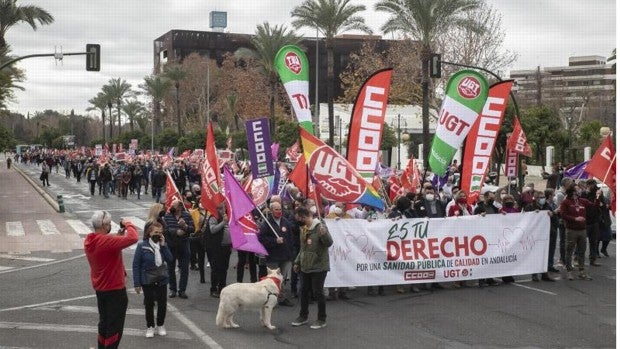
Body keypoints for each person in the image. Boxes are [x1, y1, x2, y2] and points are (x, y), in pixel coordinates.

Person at [84, 211, 138, 349]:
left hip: (101, 289)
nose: (110, 226)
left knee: (104, 324)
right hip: (115, 290)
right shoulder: (105, 241)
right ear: (104, 225)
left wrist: (119, 237)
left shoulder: (91, 240)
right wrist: (128, 224)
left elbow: (108, 248)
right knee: (114, 328)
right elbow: (133, 238)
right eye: (108, 224)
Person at [291, 206, 333, 330]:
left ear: (304, 217)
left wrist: (324, 235)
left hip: (318, 266)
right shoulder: (303, 229)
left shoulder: (320, 226)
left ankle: (321, 319)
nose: (297, 221)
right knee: (303, 291)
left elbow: (329, 243)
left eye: (298, 218)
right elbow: (303, 248)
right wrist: (297, 262)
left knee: (318, 293)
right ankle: (303, 316)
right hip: (305, 266)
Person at [132, 221, 173, 338]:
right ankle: (150, 326)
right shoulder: (142, 246)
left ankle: (160, 324)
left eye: (160, 232)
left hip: (161, 278)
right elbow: (136, 265)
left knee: (162, 303)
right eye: (156, 232)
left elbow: (170, 259)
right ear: (149, 233)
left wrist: (164, 246)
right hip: (147, 279)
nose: (158, 234)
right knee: (149, 304)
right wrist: (137, 283)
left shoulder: (162, 245)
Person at [258, 201, 297, 306]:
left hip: (285, 256)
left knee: (282, 278)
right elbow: (261, 238)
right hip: (273, 256)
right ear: (271, 210)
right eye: (276, 209)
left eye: (280, 209)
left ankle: (282, 298)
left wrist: (291, 253)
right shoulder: (267, 223)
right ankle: (270, 299)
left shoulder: (285, 222)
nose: (279, 211)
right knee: (273, 279)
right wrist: (275, 241)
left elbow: (291, 238)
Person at [559, 183, 595, 281]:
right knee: (569, 251)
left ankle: (582, 271)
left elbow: (594, 205)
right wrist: (575, 219)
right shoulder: (566, 202)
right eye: (577, 189)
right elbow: (563, 215)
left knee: (582, 251)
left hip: (582, 230)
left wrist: (598, 196)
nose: (579, 191)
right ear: (572, 191)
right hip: (571, 230)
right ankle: (569, 271)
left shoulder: (582, 201)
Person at [163, 199, 194, 298]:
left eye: (174, 205)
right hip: (171, 245)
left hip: (184, 244)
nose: (171, 207)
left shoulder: (187, 215)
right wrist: (175, 231)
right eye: (171, 205)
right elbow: (165, 230)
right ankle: (172, 289)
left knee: (184, 269)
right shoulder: (167, 216)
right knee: (170, 268)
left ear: (180, 207)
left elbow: (193, 229)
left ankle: (182, 290)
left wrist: (185, 226)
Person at [524, 190, 557, 281]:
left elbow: (554, 218)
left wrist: (552, 214)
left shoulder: (547, 206)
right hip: (535, 235)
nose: (543, 199)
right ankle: (534, 273)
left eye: (543, 197)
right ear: (536, 198)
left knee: (545, 253)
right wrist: (534, 214)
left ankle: (544, 273)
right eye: (540, 197)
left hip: (547, 233)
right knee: (535, 254)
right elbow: (525, 219)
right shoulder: (530, 207)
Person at [208, 203, 232, 298]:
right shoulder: (213, 217)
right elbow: (213, 230)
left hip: (227, 247)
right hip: (217, 247)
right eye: (219, 208)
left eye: (223, 208)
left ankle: (222, 287)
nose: (222, 210)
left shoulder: (228, 216)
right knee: (216, 268)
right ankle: (213, 288)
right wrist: (223, 222)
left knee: (224, 268)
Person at [581, 179, 602, 267]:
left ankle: (592, 259)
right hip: (586, 221)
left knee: (594, 241)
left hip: (595, 221)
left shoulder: (598, 193)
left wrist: (599, 198)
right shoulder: (584, 194)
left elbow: (599, 205)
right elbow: (585, 204)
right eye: (592, 185)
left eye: (594, 185)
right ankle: (579, 259)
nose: (593, 187)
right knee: (582, 242)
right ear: (588, 185)